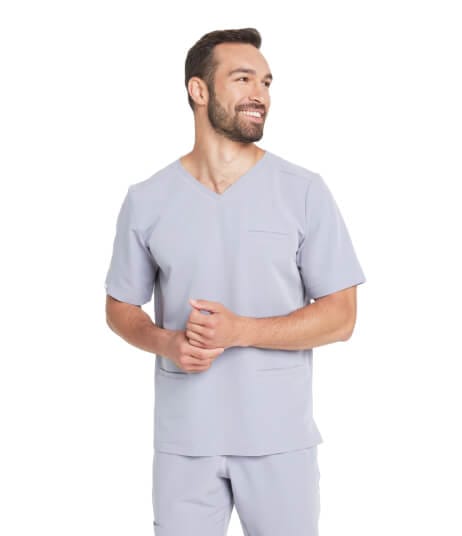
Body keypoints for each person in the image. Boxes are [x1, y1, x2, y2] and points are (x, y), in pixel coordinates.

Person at [104, 27, 366, 536]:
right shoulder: (147, 199)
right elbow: (120, 306)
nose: (259, 94)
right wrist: (167, 342)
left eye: (266, 82)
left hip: (279, 440)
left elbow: (342, 317)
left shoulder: (303, 191)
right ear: (198, 90)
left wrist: (241, 330)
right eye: (243, 79)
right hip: (185, 442)